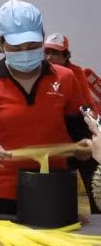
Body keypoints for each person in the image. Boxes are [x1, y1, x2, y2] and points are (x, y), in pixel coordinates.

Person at [0, 0, 92, 215]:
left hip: (53, 190)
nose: (25, 53)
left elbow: (78, 131)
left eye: (33, 46)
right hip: (0, 194)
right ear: (1, 44)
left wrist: (84, 146)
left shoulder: (65, 78)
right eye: (16, 48)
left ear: (42, 39)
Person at [44, 32, 100, 213]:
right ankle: (62, 216)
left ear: (65, 55)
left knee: (92, 178)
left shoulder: (75, 73)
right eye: (46, 52)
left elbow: (87, 104)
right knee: (61, 182)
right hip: (56, 132)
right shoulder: (40, 74)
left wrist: (93, 128)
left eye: (55, 53)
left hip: (78, 128)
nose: (49, 57)